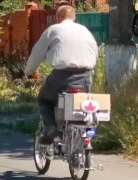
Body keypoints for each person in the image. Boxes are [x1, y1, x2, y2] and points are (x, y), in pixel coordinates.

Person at [24, 5, 98, 144]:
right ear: (74, 17)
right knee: (83, 104)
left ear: (58, 18)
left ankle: (51, 129)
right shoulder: (85, 30)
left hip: (61, 77)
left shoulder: (53, 30)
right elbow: (95, 53)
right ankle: (86, 135)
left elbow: (37, 53)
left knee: (44, 99)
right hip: (85, 77)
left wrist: (28, 71)